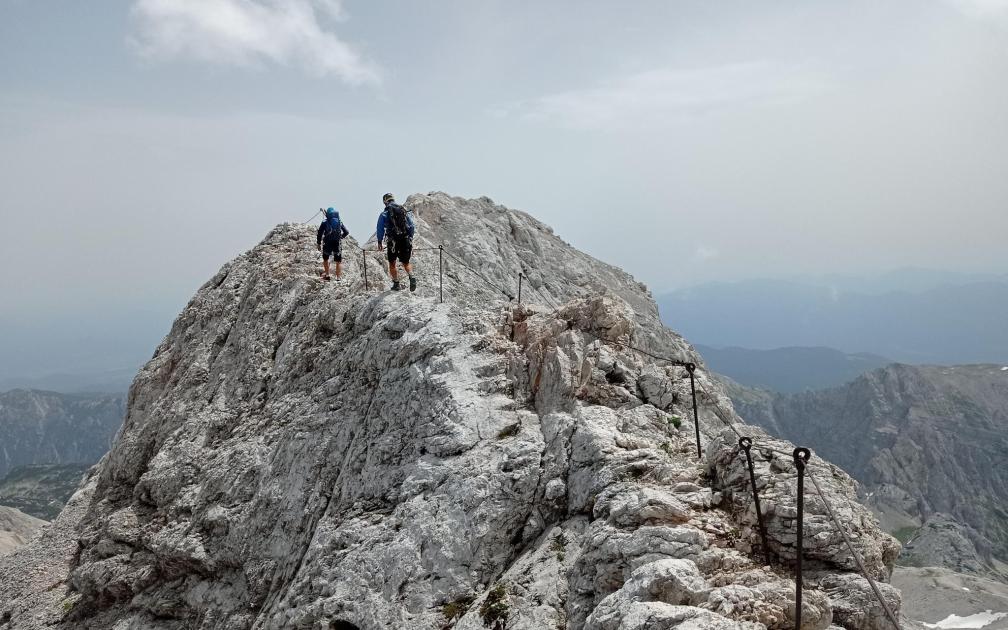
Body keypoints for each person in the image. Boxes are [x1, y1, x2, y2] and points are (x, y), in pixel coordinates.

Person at [376, 193, 417, 291]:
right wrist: (410, 238)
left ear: (385, 202)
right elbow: (411, 226)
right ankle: (412, 277)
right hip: (405, 239)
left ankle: (396, 283)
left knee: (392, 263)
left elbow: (380, 228)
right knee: (406, 262)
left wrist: (379, 241)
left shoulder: (384, 214)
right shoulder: (403, 210)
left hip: (393, 242)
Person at [317, 207, 349, 281]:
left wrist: (318, 243)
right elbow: (346, 232)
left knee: (326, 259)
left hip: (327, 242)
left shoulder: (325, 221)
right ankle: (338, 277)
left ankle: (327, 275)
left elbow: (320, 233)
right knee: (338, 261)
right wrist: (340, 237)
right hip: (337, 242)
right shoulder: (339, 221)